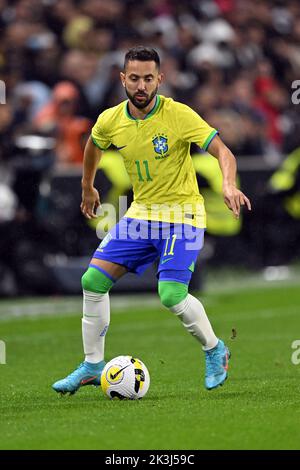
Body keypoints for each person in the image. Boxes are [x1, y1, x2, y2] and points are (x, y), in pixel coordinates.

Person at [52, 46, 251, 395]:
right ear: (122, 79)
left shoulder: (178, 115)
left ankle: (215, 349)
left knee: (171, 295)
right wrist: (87, 187)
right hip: (142, 213)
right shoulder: (110, 119)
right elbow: (93, 146)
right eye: (134, 78)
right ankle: (93, 364)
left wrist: (229, 184)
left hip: (183, 215)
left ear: (159, 79)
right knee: (92, 280)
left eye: (148, 78)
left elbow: (222, 150)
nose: (141, 85)